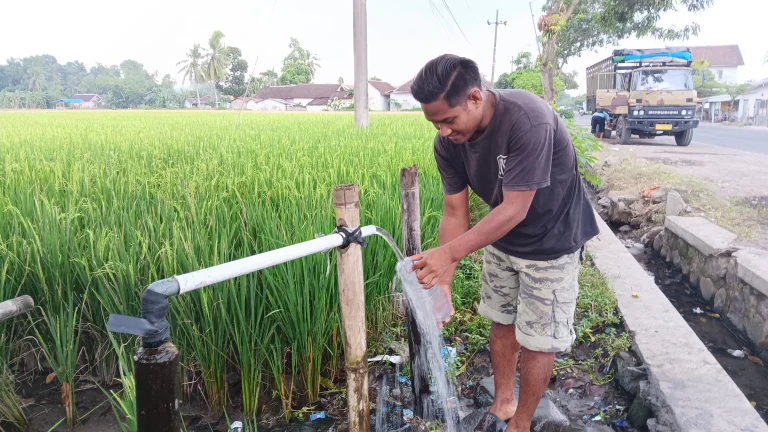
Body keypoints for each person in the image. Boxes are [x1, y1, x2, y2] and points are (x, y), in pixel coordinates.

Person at [407, 54, 599, 432]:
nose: (443, 131)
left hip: (552, 242)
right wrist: (444, 276)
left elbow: (515, 208)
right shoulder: (448, 144)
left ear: (475, 98)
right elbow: (453, 213)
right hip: (502, 239)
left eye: (448, 119)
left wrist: (447, 253)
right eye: (434, 123)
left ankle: (523, 422)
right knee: (501, 322)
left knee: (539, 340)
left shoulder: (528, 119)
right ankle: (503, 402)